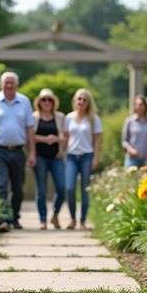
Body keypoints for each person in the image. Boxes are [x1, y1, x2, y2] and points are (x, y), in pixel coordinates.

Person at [0, 72, 36, 232]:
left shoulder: (24, 101)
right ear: (1, 84)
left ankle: (15, 218)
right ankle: (3, 219)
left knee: (18, 187)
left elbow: (30, 129)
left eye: (12, 83)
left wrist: (32, 153)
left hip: (18, 151)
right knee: (1, 185)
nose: (9, 85)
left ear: (17, 85)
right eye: (6, 83)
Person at [63, 88, 102, 230]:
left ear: (88, 103)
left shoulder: (93, 119)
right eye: (79, 98)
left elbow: (97, 141)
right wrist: (61, 153)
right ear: (75, 100)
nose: (81, 101)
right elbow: (66, 138)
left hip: (87, 156)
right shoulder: (68, 118)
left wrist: (96, 158)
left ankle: (83, 221)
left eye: (84, 99)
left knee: (85, 190)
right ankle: (72, 219)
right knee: (69, 188)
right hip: (71, 156)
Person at [32, 88, 66, 230]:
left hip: (56, 157)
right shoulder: (33, 117)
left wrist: (56, 138)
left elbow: (65, 137)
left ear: (53, 102)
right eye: (44, 99)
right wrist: (45, 139)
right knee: (41, 190)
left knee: (62, 187)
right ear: (39, 102)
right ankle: (43, 220)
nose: (47, 102)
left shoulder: (60, 117)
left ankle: (55, 215)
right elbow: (29, 137)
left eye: (49, 100)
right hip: (40, 157)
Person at [122, 95, 147, 168]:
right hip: (132, 158)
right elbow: (124, 141)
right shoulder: (129, 121)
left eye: (141, 104)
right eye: (136, 105)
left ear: (145, 106)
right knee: (130, 179)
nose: (139, 107)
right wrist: (130, 149)